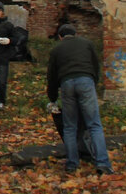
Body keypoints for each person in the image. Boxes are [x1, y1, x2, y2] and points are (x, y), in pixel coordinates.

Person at [46, 23, 113, 175]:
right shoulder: (87, 44)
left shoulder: (57, 49)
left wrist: (53, 98)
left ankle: (72, 164)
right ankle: (102, 163)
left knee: (70, 126)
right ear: (75, 34)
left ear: (61, 37)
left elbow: (52, 75)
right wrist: (93, 82)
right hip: (86, 81)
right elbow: (95, 65)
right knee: (94, 124)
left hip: (67, 83)